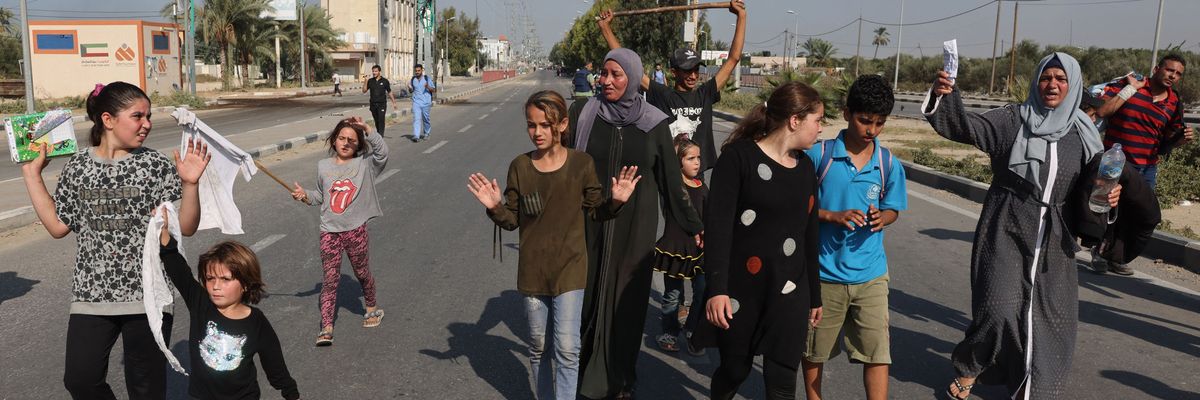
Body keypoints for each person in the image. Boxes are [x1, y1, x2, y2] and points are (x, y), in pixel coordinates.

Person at [922, 53, 1122, 400]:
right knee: (997, 309)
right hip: (1006, 223)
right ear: (1036, 81)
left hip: (1055, 234)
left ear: (1073, 85)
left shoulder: (1083, 132)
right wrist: (944, 95)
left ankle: (1035, 389)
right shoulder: (1014, 119)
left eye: (1061, 78)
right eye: (1046, 77)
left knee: (1049, 320)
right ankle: (973, 363)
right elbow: (968, 128)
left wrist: (1109, 194)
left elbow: (1093, 185)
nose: (1053, 85)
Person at [20, 81, 211, 400]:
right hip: (91, 297)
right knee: (80, 380)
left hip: (148, 298)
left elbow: (187, 227)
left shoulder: (155, 165)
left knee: (146, 389)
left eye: (148, 116)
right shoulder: (78, 167)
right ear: (108, 120)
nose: (147, 123)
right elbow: (56, 226)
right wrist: (32, 175)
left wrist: (190, 184)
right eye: (138, 116)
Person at [467, 90, 639, 400]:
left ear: (561, 124)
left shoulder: (581, 164)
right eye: (532, 125)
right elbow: (512, 220)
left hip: (571, 268)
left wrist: (616, 201)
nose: (537, 132)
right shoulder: (520, 166)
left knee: (567, 347)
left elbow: (596, 212)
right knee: (538, 345)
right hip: (533, 271)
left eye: (545, 125)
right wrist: (494, 206)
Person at [567, 48, 704, 400]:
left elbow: (672, 184)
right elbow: (563, 168)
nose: (606, 81)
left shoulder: (655, 123)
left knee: (626, 306)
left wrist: (694, 225)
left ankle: (619, 380)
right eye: (603, 73)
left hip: (636, 229)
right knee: (588, 299)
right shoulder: (584, 113)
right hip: (590, 223)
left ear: (632, 77)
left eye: (616, 74)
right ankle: (579, 373)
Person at [694, 81, 825, 400]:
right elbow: (719, 229)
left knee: (782, 380)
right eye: (818, 121)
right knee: (735, 370)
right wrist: (717, 290)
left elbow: (809, 233)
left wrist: (815, 296)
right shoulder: (738, 159)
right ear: (795, 120)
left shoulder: (806, 167)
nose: (820, 130)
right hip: (742, 289)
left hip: (790, 291)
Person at [800, 75, 906, 400]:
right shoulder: (819, 157)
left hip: (871, 275)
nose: (870, 129)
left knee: (877, 352)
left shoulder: (888, 164)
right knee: (815, 351)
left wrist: (881, 218)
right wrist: (831, 216)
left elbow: (893, 209)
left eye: (879, 123)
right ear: (847, 113)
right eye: (864, 120)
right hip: (824, 275)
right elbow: (795, 207)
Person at [598, 0, 746, 173]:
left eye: (696, 70)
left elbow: (733, 58)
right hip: (671, 176)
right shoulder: (663, 94)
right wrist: (605, 28)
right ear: (674, 72)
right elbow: (628, 65)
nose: (693, 76)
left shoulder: (705, 93)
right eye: (687, 70)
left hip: (697, 178)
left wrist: (741, 16)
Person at [158, 229, 300, 400]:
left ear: (246, 284)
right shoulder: (201, 304)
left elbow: (274, 365)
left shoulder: (256, 321)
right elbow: (179, 272)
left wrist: (292, 394)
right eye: (210, 278)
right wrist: (165, 236)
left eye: (225, 279)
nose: (216, 286)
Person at [1091, 54, 1194, 275]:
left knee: (1137, 213)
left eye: (1178, 74)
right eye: (1169, 70)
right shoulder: (1132, 84)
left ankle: (1117, 257)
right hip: (1115, 162)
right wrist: (1128, 91)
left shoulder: (1174, 103)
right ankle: (1098, 251)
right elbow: (1102, 111)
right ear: (1157, 69)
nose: (1173, 76)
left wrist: (1180, 140)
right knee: (1106, 207)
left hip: (1147, 168)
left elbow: (1166, 141)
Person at [290, 116, 388, 346]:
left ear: (358, 145)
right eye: (341, 138)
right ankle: (326, 327)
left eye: (352, 140)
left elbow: (382, 154)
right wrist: (304, 195)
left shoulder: (364, 164)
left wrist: (368, 130)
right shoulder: (323, 166)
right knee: (330, 280)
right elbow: (321, 196)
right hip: (329, 231)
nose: (346, 143)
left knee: (362, 272)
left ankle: (372, 307)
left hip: (355, 230)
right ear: (334, 140)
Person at [652, 136, 708, 354]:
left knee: (702, 291)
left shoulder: (702, 186)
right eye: (690, 158)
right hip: (675, 248)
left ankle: (693, 330)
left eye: (699, 158)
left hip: (700, 249)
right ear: (678, 162)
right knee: (673, 295)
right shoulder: (672, 187)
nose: (697, 162)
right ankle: (669, 332)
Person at [362, 65, 398, 137]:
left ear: (379, 72)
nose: (374, 73)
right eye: (373, 71)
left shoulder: (385, 81)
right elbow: (364, 91)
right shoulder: (370, 81)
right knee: (376, 120)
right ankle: (379, 132)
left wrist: (394, 102)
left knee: (381, 118)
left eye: (375, 71)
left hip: (382, 104)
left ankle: (381, 135)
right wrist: (366, 80)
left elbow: (389, 92)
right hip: (373, 104)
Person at [409, 64, 438, 142]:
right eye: (416, 71)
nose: (417, 72)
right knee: (416, 118)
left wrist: (427, 86)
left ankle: (427, 133)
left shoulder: (427, 79)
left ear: (422, 70)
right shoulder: (413, 79)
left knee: (426, 119)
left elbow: (433, 90)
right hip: (416, 102)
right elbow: (411, 91)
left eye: (419, 70)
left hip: (426, 102)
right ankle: (416, 135)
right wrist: (410, 89)